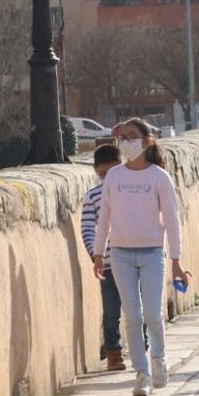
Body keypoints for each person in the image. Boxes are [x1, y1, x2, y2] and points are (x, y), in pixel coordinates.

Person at [92, 118, 187, 396]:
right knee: (132, 315)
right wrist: (99, 252)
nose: (126, 141)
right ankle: (141, 372)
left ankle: (158, 358)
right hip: (120, 253)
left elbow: (172, 220)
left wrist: (177, 260)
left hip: (152, 252)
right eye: (123, 137)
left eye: (132, 136)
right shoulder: (114, 177)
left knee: (153, 315)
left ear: (146, 141)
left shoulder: (158, 177)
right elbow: (104, 217)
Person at [81, 142, 129, 372]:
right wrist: (95, 253)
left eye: (110, 172)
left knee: (137, 307)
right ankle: (113, 352)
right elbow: (88, 227)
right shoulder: (92, 196)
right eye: (102, 174)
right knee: (111, 311)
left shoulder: (131, 188)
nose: (106, 177)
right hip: (108, 263)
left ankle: (143, 345)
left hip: (132, 258)